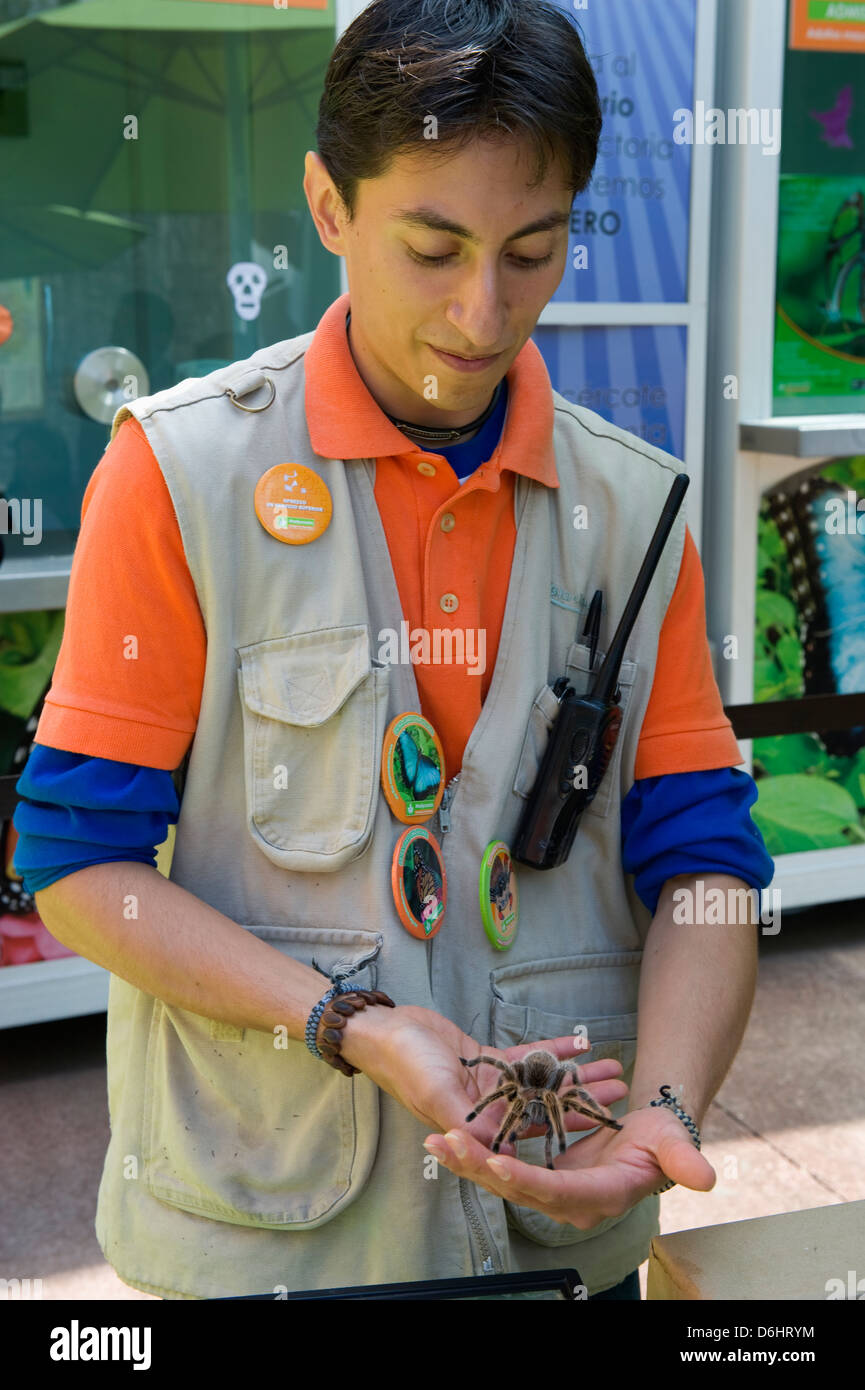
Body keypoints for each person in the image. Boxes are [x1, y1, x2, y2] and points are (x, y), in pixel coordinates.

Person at [14, 0, 773, 1301]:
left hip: (560, 1230)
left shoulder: (635, 511)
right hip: (263, 1239)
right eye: (434, 248)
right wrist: (347, 1023)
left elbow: (703, 868)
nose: (483, 312)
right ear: (326, 205)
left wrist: (666, 1108)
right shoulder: (179, 474)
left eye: (533, 252)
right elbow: (79, 866)